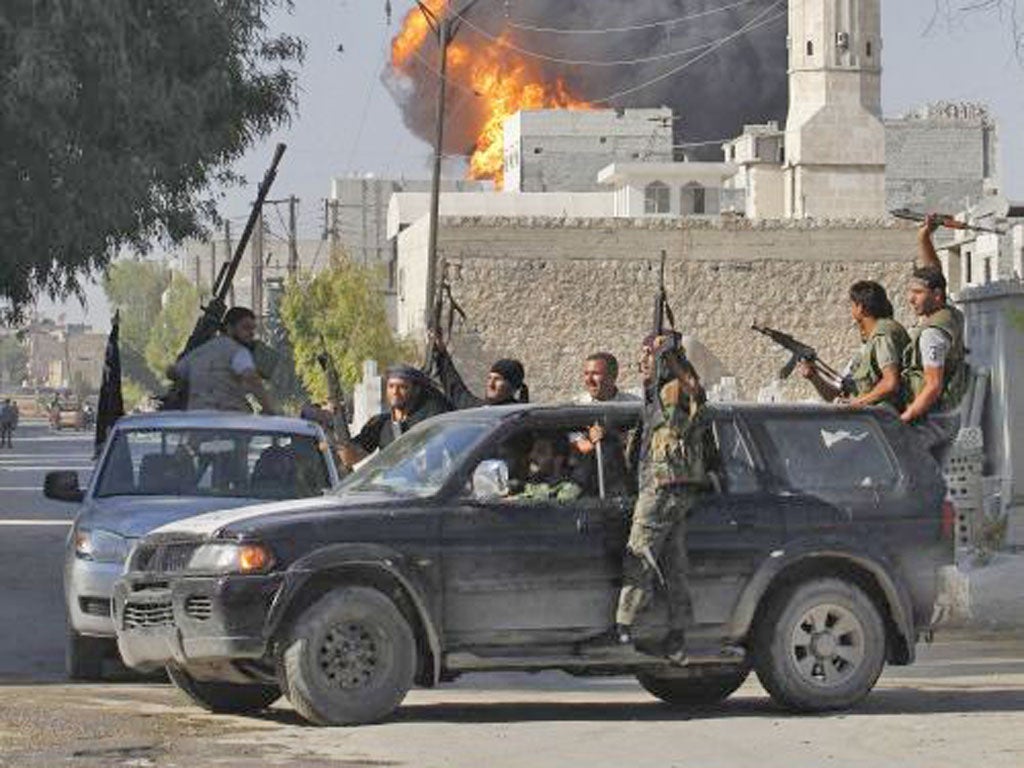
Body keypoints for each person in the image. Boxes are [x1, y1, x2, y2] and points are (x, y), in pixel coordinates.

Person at [590, 335, 718, 664]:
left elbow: (696, 392)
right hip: (664, 485)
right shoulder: (655, 394)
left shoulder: (676, 388)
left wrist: (669, 354)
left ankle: (623, 627)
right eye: (644, 354)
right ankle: (678, 636)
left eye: (650, 354)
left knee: (640, 553)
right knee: (673, 564)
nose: (644, 361)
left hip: (664, 485)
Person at [900, 216, 969, 461]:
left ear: (937, 296)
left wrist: (904, 418)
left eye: (918, 293)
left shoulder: (933, 334)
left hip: (935, 419)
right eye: (911, 292)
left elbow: (933, 386)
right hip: (946, 413)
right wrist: (924, 236)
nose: (911, 299)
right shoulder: (948, 314)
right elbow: (935, 272)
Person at [799, 281, 910, 411]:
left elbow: (890, 383)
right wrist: (813, 376)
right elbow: (839, 397)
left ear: (860, 308)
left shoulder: (883, 335)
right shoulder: (868, 347)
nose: (850, 309)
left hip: (885, 418)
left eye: (852, 305)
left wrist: (858, 402)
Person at [334, 365, 451, 469]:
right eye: (391, 386)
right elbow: (350, 458)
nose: (395, 392)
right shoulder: (380, 423)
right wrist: (338, 419)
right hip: (392, 485)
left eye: (402, 387)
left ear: (415, 390)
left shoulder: (429, 419)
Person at [169, 307, 277, 415]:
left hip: (197, 418)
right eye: (246, 328)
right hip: (230, 418)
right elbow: (251, 378)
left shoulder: (199, 352)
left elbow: (173, 372)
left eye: (252, 329)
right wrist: (268, 409)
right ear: (229, 328)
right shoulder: (239, 352)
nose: (251, 333)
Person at [431, 333, 528, 408]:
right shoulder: (479, 409)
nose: (491, 384)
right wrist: (442, 354)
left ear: (512, 386)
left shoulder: (518, 416)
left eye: (498, 379)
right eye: (489, 378)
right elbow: (456, 390)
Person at [512, 433, 584, 503]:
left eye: (541, 451)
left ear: (558, 460)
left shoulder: (569, 489)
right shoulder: (530, 481)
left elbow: (551, 505)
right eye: (532, 450)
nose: (532, 456)